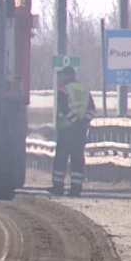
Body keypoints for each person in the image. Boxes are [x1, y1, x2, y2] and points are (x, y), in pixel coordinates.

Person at [52, 65, 95, 197]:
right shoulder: (84, 89)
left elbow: (64, 108)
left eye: (63, 75)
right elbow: (92, 109)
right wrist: (83, 122)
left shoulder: (64, 89)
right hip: (80, 132)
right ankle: (76, 189)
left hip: (66, 130)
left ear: (68, 75)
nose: (61, 78)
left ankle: (58, 188)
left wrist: (74, 121)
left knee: (61, 159)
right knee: (77, 159)